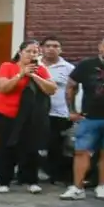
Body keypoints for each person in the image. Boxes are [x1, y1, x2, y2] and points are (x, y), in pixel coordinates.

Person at [0, 39, 55, 194]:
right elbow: (3, 87)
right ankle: (4, 181)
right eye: (29, 51)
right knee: (6, 146)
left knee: (31, 147)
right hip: (7, 113)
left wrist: (34, 76)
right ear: (20, 52)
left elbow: (51, 89)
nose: (32, 55)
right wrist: (21, 74)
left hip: (30, 116)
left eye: (35, 52)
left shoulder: (40, 69)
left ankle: (31, 180)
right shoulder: (8, 66)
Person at [61, 36, 104, 199]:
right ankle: (77, 187)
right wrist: (72, 110)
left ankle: (103, 186)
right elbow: (71, 86)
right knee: (81, 151)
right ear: (100, 48)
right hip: (89, 117)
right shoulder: (87, 65)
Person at [39, 37, 74, 184]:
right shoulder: (35, 64)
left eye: (55, 46)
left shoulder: (69, 68)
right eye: (48, 46)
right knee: (36, 144)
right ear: (42, 48)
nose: (51, 49)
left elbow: (73, 90)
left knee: (56, 145)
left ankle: (55, 175)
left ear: (61, 49)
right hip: (37, 112)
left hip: (59, 113)